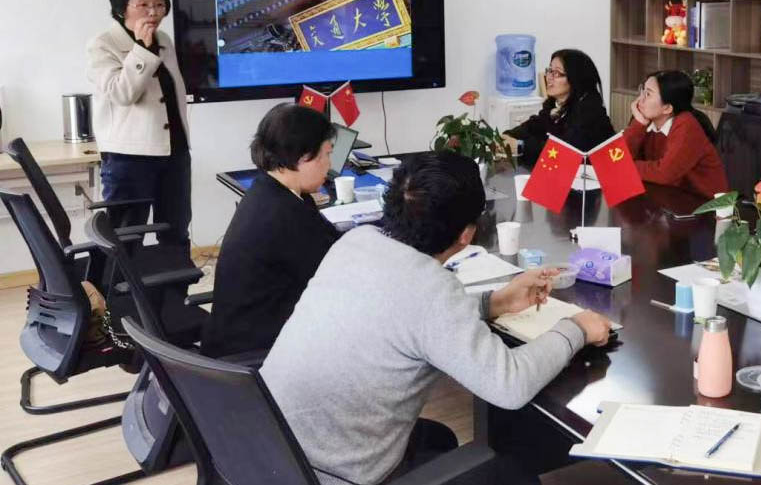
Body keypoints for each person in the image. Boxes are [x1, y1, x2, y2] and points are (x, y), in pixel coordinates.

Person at [260, 151, 612, 485]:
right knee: (510, 473)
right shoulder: (431, 287)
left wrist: (496, 302)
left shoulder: (355, 241)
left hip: (267, 451)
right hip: (331, 476)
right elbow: (509, 385)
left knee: (439, 439)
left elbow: (407, 316)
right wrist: (576, 328)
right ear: (466, 234)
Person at [199, 104, 342, 357]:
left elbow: (329, 241)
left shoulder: (269, 190)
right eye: (327, 154)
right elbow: (338, 274)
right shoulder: (283, 214)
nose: (330, 166)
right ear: (303, 157)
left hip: (242, 334)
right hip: (254, 352)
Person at [87, 0, 191, 246]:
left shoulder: (164, 39)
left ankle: (175, 276)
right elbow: (122, 94)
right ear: (122, 9)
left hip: (175, 151)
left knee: (177, 229)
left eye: (159, 4)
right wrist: (142, 49)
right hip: (129, 157)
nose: (153, 12)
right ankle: (122, 278)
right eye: (144, 4)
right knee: (126, 235)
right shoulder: (103, 44)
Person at [625, 70, 727, 199]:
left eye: (648, 94)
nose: (640, 99)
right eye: (642, 90)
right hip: (667, 198)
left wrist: (626, 167)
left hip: (704, 204)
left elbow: (664, 174)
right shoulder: (644, 121)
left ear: (667, 108)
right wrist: (639, 124)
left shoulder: (687, 126)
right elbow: (617, 158)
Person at [504, 49, 614, 166]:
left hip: (593, 174)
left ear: (575, 78)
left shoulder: (589, 113)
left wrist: (521, 145)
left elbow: (562, 152)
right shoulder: (555, 106)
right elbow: (533, 127)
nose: (549, 77)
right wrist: (507, 137)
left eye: (556, 73)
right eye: (549, 71)